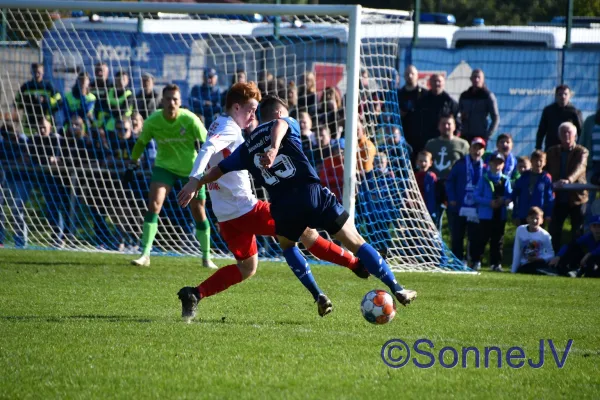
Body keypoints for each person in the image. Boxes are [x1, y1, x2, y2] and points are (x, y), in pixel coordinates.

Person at [189, 95, 417, 317]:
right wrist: (274, 147)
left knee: (288, 246)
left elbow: (218, 170)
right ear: (279, 113)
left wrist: (195, 182)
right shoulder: (284, 122)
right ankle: (396, 287)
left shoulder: (246, 147)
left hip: (282, 208)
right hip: (311, 195)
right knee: (356, 241)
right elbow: (279, 124)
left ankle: (318, 294)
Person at [126, 84, 216, 268]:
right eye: (168, 99)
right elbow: (141, 142)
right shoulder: (153, 120)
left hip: (191, 171)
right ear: (162, 101)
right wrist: (132, 163)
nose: (171, 103)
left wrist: (212, 166)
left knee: (199, 212)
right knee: (154, 205)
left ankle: (206, 257)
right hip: (164, 167)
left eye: (175, 99)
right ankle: (145, 255)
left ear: (180, 102)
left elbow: (209, 142)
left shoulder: (190, 119)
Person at [546, 122, 588, 252]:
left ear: (575, 135)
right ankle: (552, 259)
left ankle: (575, 260)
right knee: (554, 230)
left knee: (577, 230)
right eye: (563, 132)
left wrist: (568, 180)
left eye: (569, 132)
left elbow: (580, 167)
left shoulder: (582, 151)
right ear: (559, 135)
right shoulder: (552, 151)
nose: (566, 135)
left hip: (577, 198)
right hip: (557, 198)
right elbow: (545, 169)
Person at [424, 114, 469, 230]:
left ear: (454, 126)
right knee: (433, 220)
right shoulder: (431, 144)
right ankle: (435, 245)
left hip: (453, 187)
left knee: (454, 223)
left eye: (449, 124)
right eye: (443, 124)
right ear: (439, 126)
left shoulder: (463, 144)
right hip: (435, 186)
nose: (446, 126)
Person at [445, 137, 486, 264]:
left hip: (477, 207)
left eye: (480, 149)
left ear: (483, 151)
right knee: (457, 235)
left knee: (475, 236)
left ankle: (474, 260)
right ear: (470, 149)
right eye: (475, 148)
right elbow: (450, 181)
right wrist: (451, 198)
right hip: (459, 206)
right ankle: (458, 260)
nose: (477, 151)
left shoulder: (485, 167)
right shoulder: (460, 164)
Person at [472, 152, 512, 272]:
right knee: (481, 239)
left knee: (498, 240)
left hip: (500, 215)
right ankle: (476, 261)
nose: (497, 165)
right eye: (494, 163)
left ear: (503, 165)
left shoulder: (505, 180)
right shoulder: (484, 178)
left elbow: (510, 195)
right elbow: (476, 196)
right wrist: (489, 202)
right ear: (489, 164)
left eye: (499, 163)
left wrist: (503, 200)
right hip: (486, 215)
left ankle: (496, 263)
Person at [15, 63, 62, 134]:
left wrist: (46, 100)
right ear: (31, 72)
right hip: (29, 123)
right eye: (34, 72)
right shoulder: (26, 87)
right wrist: (27, 101)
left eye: (38, 72)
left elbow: (59, 101)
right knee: (30, 143)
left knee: (47, 143)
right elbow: (17, 102)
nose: (36, 74)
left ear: (43, 72)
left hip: (46, 123)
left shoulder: (49, 86)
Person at [511, 150, 554, 226]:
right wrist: (515, 214)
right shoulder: (523, 177)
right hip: (524, 213)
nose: (538, 163)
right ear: (531, 161)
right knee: (523, 236)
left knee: (537, 236)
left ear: (545, 162)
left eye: (541, 161)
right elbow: (515, 195)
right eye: (535, 160)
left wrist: (548, 214)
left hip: (538, 215)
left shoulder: (546, 178)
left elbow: (549, 198)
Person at [535, 84, 583, 151]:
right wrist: (538, 147)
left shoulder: (574, 112)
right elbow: (541, 131)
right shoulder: (548, 111)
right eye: (560, 94)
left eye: (565, 94)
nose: (563, 96)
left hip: (569, 150)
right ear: (556, 96)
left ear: (569, 96)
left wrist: (578, 148)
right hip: (551, 148)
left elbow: (581, 132)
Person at [458, 68, 499, 144]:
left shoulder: (488, 96)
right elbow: (458, 115)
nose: (476, 80)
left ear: (483, 80)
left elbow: (495, 118)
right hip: (464, 136)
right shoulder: (464, 96)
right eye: (474, 77)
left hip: (480, 137)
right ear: (470, 79)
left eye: (479, 77)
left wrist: (487, 135)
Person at [397, 65, 427, 164]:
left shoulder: (424, 94)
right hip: (403, 135)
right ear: (404, 76)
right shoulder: (399, 94)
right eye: (407, 74)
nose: (410, 76)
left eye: (412, 74)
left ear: (417, 76)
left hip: (420, 136)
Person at [511, 207, 555, 274]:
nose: (534, 221)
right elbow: (517, 250)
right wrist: (513, 270)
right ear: (527, 219)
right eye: (532, 218)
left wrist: (540, 259)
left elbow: (550, 254)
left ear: (542, 221)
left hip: (539, 263)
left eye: (537, 219)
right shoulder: (520, 230)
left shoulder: (545, 235)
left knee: (538, 268)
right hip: (525, 263)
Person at [414, 150, 437, 222]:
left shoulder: (431, 176)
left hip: (428, 209)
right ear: (417, 162)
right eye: (420, 161)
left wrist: (430, 211)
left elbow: (432, 195)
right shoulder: (414, 175)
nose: (423, 163)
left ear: (430, 163)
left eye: (425, 161)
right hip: (416, 208)